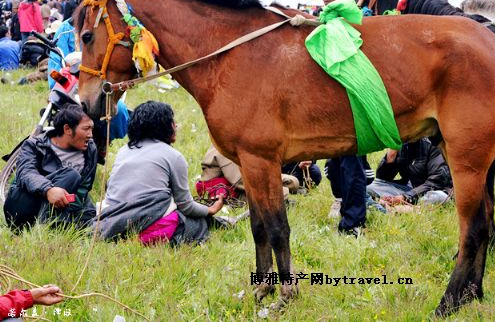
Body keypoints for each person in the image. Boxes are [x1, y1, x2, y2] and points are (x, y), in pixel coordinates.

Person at [96, 101, 229, 245]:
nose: (176, 126)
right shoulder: (173, 156)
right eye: (172, 121)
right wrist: (210, 209)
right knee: (198, 224)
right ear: (163, 126)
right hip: (147, 228)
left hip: (111, 225)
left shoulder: (124, 151)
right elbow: (186, 206)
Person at [311, 0, 370, 236]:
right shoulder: (329, 15)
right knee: (336, 166)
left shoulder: (347, 14)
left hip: (352, 100)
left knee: (351, 165)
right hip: (334, 103)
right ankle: (347, 210)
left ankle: (354, 223)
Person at [3, 104, 97, 232]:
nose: (90, 135)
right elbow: (26, 173)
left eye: (92, 129)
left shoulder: (90, 149)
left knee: (95, 220)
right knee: (71, 175)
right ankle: (47, 229)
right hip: (22, 207)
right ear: (67, 129)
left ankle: (59, 224)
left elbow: (83, 188)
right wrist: (48, 190)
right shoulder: (34, 145)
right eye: (86, 129)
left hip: (62, 206)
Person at [367, 137, 453, 207]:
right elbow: (383, 179)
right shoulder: (403, 144)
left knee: (437, 197)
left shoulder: (433, 144)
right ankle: (400, 204)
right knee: (369, 187)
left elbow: (436, 182)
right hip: (410, 188)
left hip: (435, 190)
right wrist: (391, 156)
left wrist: (405, 197)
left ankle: (408, 208)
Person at [201, 145, 300, 200]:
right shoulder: (225, 146)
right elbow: (240, 180)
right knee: (281, 193)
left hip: (238, 181)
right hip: (229, 189)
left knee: (292, 183)